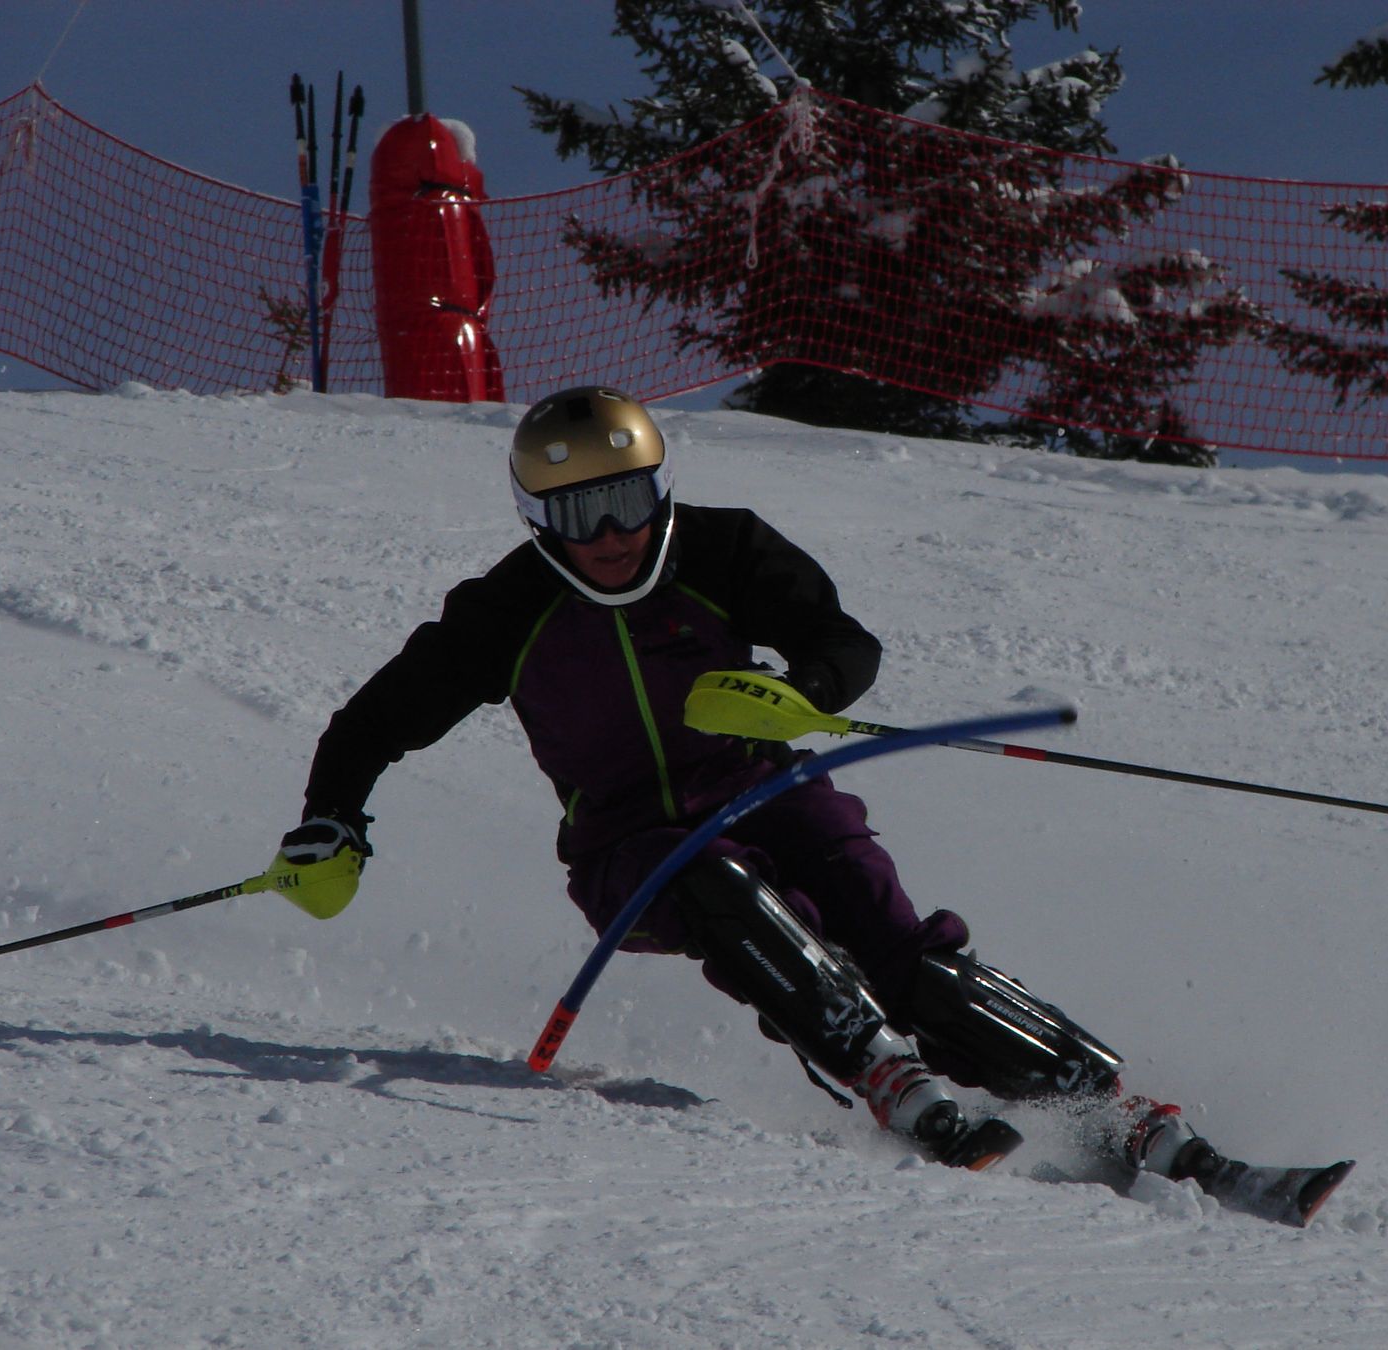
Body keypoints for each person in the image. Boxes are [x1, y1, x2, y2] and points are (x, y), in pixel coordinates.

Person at [278, 386, 1309, 1207]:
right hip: (629, 845)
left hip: (766, 789)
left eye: (630, 500)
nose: (613, 534)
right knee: (710, 876)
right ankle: (884, 1073)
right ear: (538, 519)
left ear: (660, 489)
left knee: (903, 954)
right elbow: (372, 723)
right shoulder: (507, 611)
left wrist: (800, 692)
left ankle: (1117, 1115)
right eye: (582, 513)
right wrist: (333, 819)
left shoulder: (723, 549)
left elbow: (843, 642)